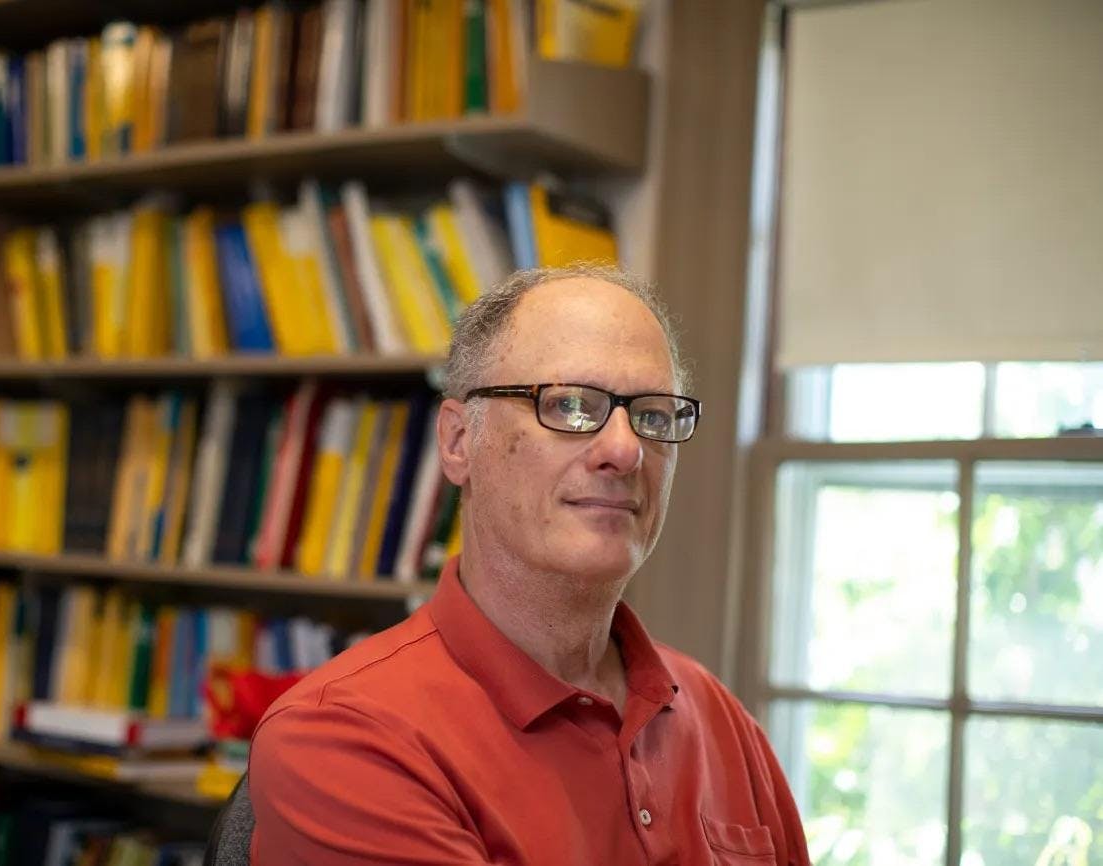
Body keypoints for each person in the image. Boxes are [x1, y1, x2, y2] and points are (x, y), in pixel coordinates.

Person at [240, 266, 810, 865]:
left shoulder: (721, 720)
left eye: (654, 415)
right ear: (460, 442)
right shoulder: (344, 738)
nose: (624, 449)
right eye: (568, 405)